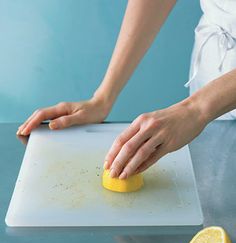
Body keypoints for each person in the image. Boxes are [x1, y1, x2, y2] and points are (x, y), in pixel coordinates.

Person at [17, 0, 236, 180]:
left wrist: (196, 109)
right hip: (214, 65)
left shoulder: (197, 109)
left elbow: (197, 110)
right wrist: (103, 98)